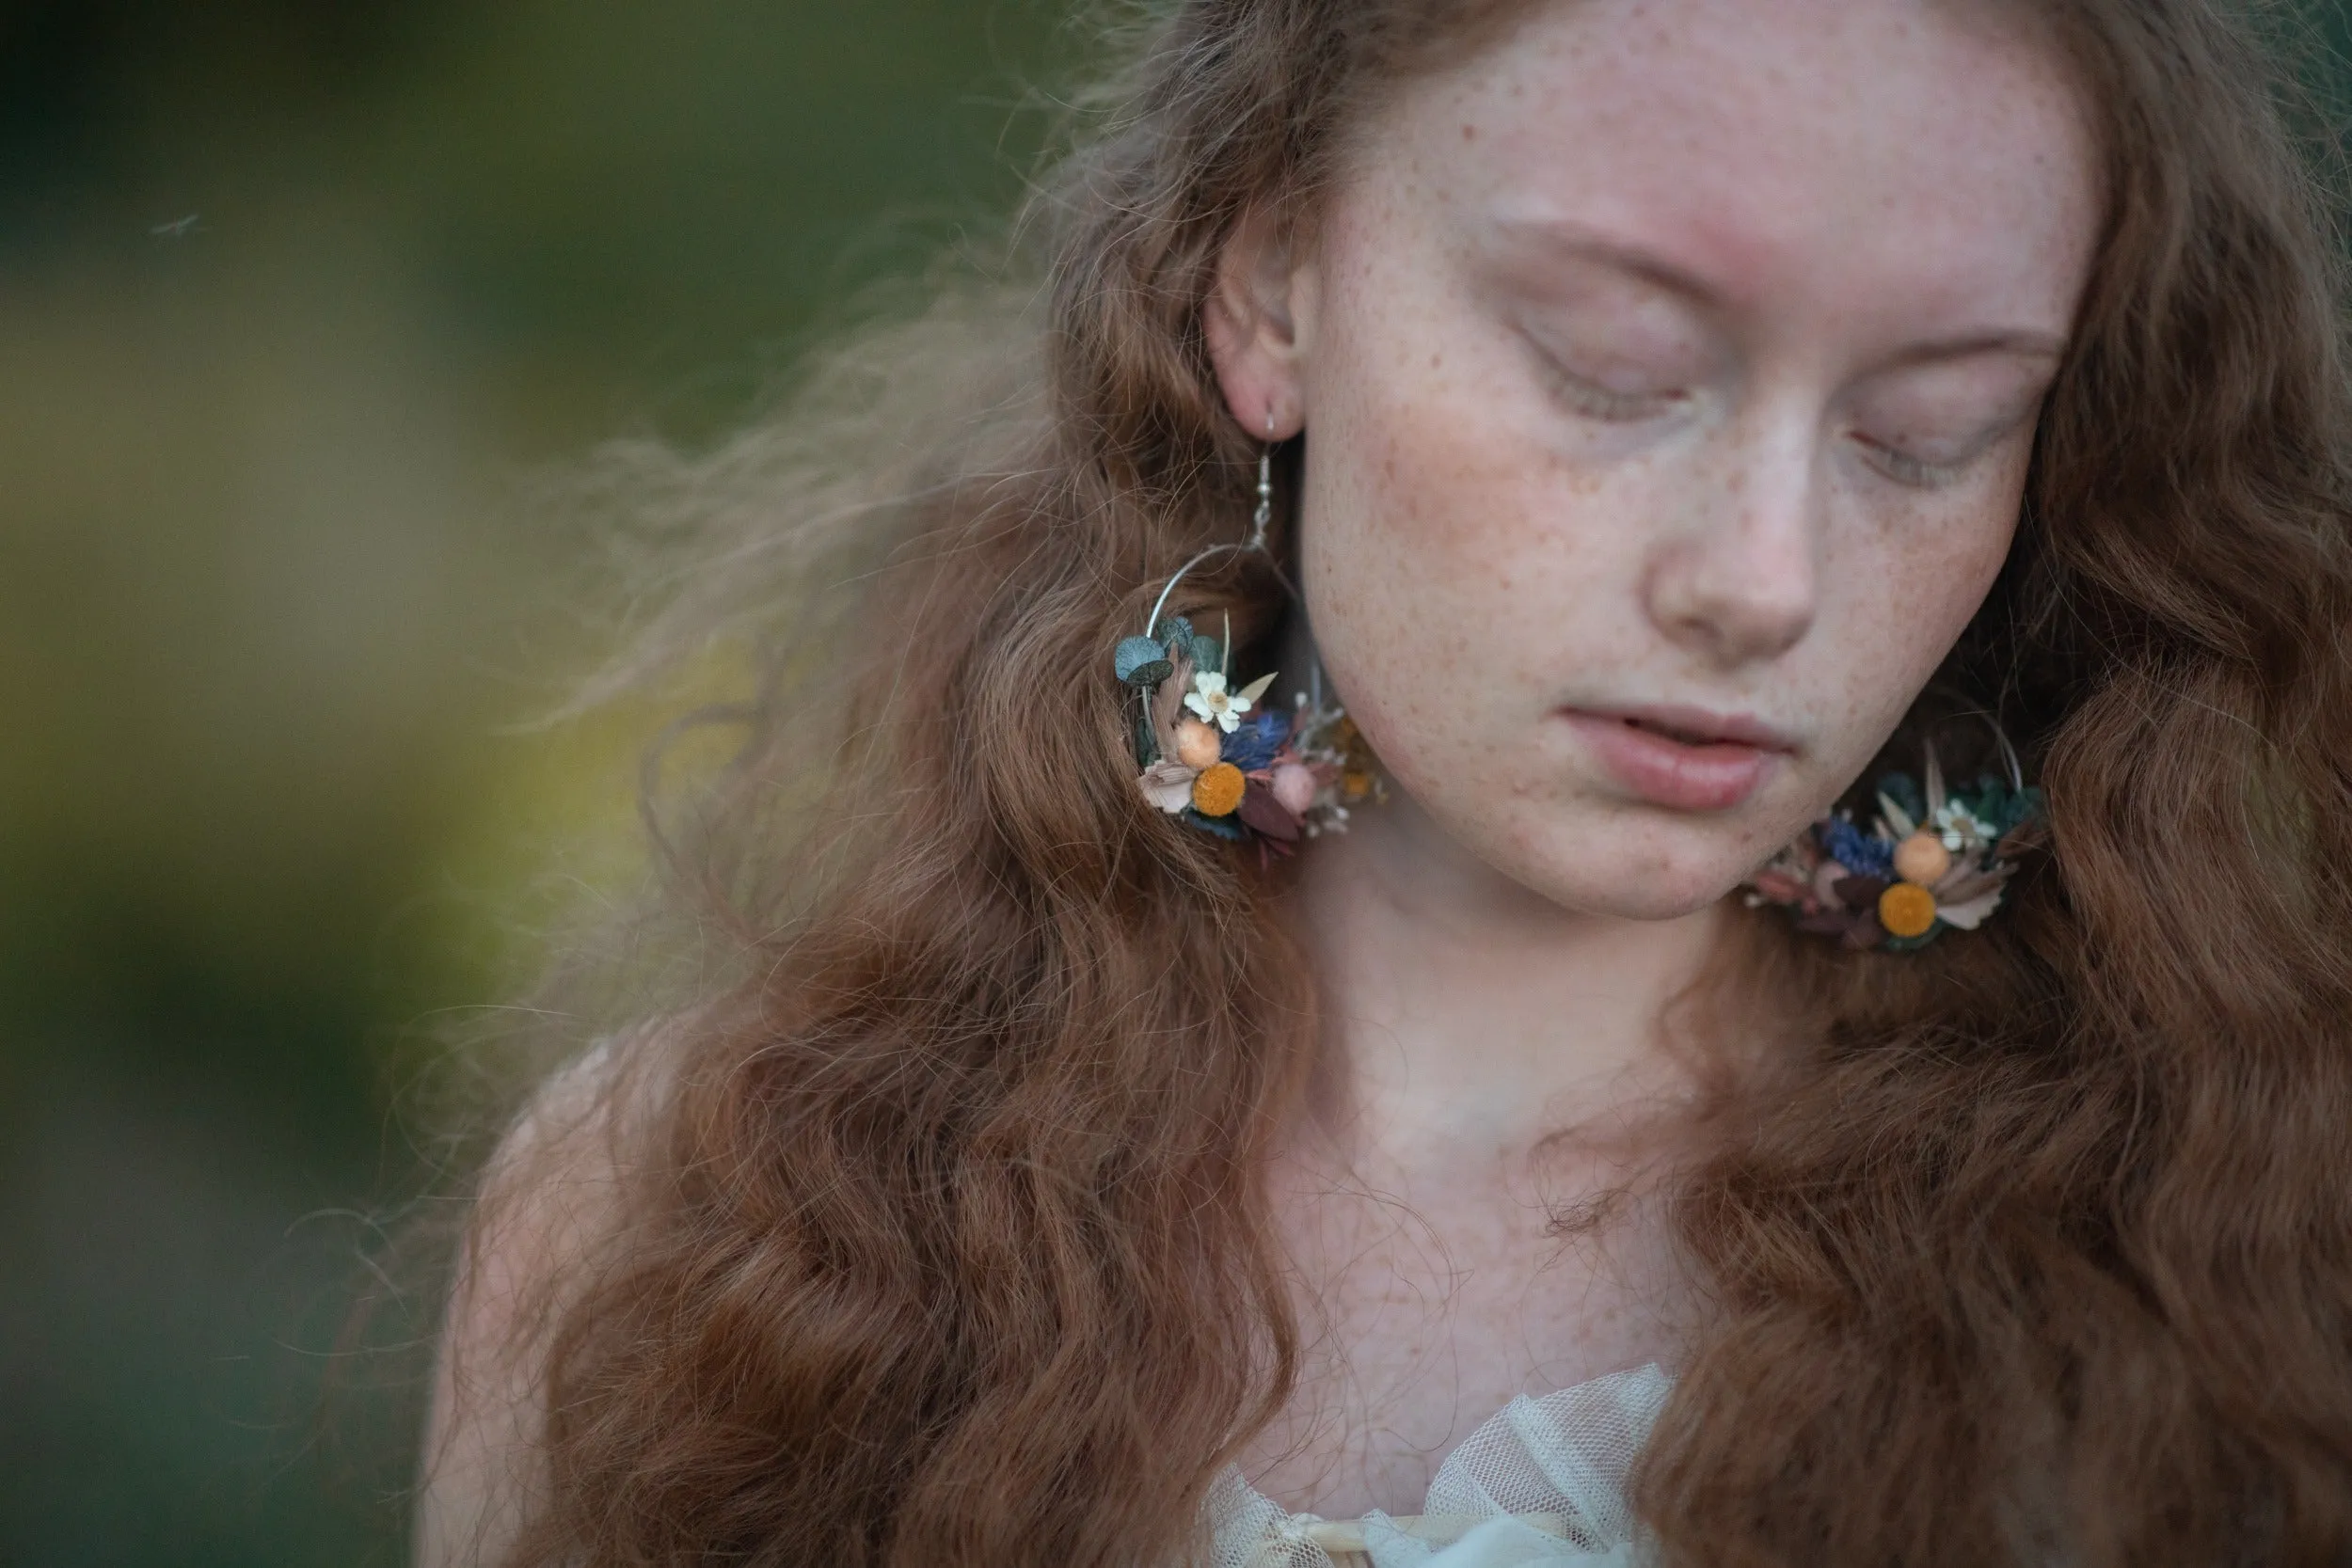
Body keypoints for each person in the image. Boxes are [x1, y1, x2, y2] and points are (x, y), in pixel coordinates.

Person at [413, 0, 2352, 1563]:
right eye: (1608, 365)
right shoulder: (677, 1214)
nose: (1762, 578)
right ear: (1269, 291)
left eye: (1927, 431)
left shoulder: (2215, 1288)